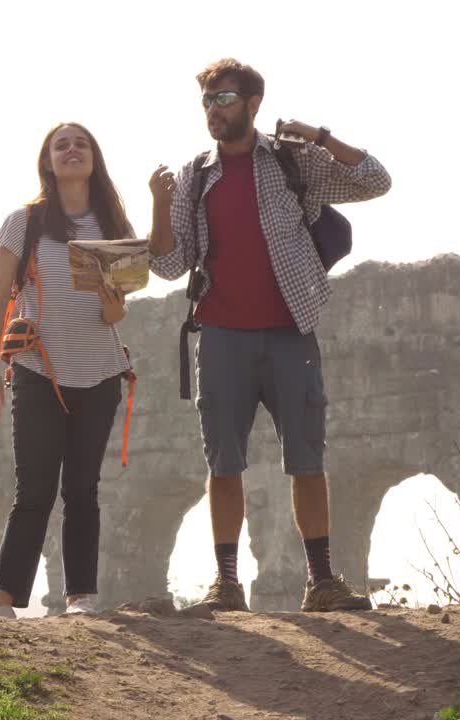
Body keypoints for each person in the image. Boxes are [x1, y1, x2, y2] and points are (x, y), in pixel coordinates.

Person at [146, 58, 392, 612]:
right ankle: (227, 586)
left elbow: (375, 179)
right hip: (222, 336)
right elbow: (168, 264)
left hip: (289, 331)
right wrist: (160, 206)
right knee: (223, 464)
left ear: (253, 104)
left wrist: (319, 135)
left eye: (225, 98)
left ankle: (322, 583)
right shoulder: (193, 176)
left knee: (307, 458)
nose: (214, 109)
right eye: (208, 100)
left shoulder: (290, 161)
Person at [0, 122, 155, 619]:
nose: (72, 150)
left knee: (82, 489)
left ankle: (81, 598)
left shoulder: (112, 223)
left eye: (82, 143)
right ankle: (1, 600)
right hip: (36, 368)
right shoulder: (22, 223)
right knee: (35, 489)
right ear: (48, 161)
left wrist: (113, 302)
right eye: (61, 145)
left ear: (95, 158)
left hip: (101, 370)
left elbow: (116, 315)